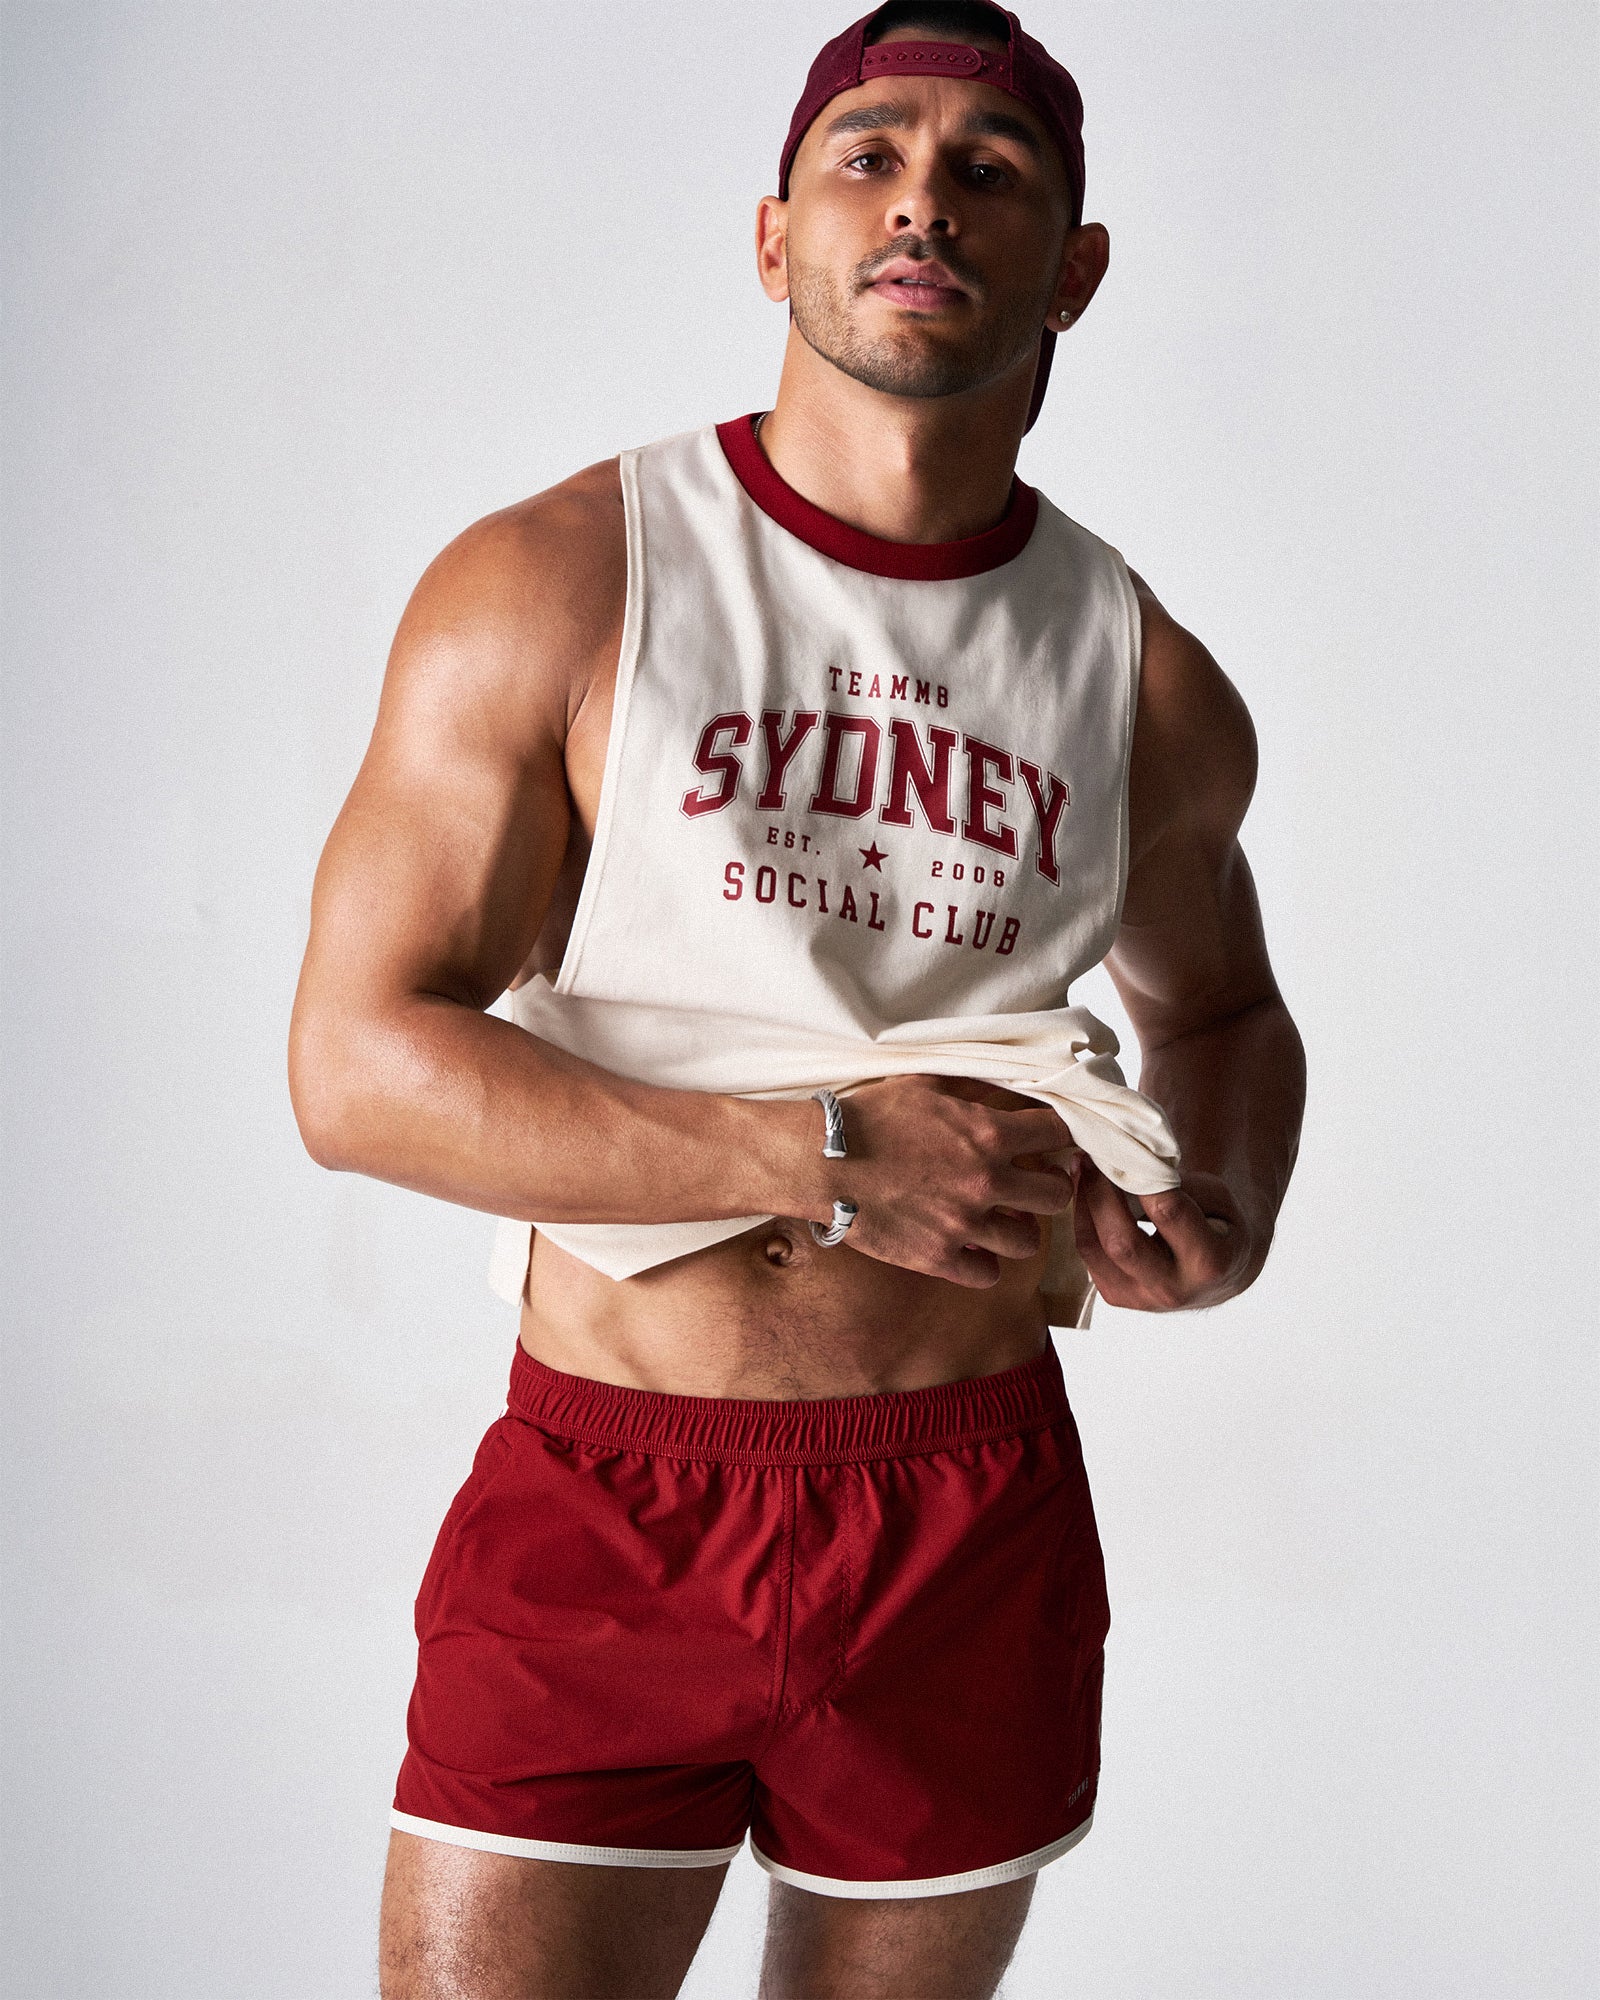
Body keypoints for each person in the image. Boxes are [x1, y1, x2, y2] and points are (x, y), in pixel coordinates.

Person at [289, 3, 1306, 1993]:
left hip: (964, 1510)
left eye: (988, 170)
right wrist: (821, 1158)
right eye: (869, 154)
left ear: (1069, 270)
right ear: (773, 239)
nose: (922, 193)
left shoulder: (1140, 678)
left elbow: (1220, 1012)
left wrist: (1221, 1200)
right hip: (614, 1488)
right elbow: (352, 1064)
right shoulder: (563, 581)